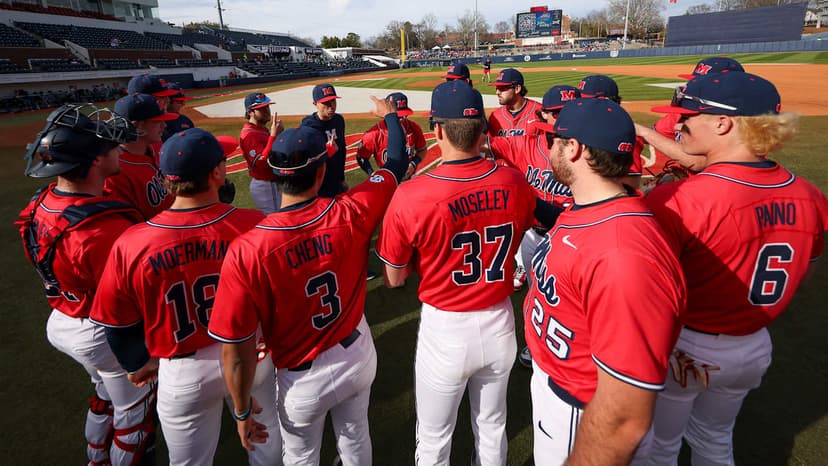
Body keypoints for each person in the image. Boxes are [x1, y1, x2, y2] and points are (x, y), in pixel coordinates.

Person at [208, 96, 410, 466]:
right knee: (356, 438)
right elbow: (396, 161)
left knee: (301, 456)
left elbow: (235, 349)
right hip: (357, 355)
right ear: (321, 172)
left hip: (302, 380)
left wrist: (240, 411)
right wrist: (391, 117)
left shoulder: (248, 247)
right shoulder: (353, 209)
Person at [644, 72, 828, 465]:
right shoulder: (810, 194)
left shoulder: (680, 197)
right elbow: (804, 273)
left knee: (659, 444)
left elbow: (647, 289)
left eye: (687, 116)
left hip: (687, 344)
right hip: (754, 343)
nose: (678, 124)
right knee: (715, 440)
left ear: (723, 123)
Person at [90, 128, 282, 466]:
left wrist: (136, 362)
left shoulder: (132, 241)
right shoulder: (255, 224)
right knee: (267, 449)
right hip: (252, 355)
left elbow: (115, 320)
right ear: (217, 173)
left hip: (184, 372)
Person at [376, 80, 537, 466]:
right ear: (483, 129)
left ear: (436, 130)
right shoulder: (514, 181)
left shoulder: (413, 194)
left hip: (445, 329)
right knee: (492, 427)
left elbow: (394, 278)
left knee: (434, 438)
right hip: (500, 321)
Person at [525, 98, 686, 465]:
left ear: (575, 149)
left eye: (555, 141)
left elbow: (624, 414)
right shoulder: (593, 207)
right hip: (560, 382)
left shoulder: (624, 254)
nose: (549, 148)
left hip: (579, 407)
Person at [16, 104, 157, 465]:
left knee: (105, 396)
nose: (117, 150)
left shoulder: (41, 202)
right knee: (134, 415)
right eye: (109, 146)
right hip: (99, 328)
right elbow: (129, 298)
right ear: (95, 162)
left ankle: (96, 456)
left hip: (64, 315)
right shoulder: (103, 229)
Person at [485, 84, 580, 368]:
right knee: (538, 292)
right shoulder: (527, 142)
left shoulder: (588, 149)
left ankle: (567, 348)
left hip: (571, 238)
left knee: (568, 297)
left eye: (568, 112)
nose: (562, 120)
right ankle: (536, 342)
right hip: (533, 234)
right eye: (555, 114)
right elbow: (483, 144)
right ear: (545, 114)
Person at [636, 56, 745, 174]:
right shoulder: (685, 112)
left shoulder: (736, 121)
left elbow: (699, 162)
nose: (693, 85)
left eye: (702, 83)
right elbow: (658, 133)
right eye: (694, 80)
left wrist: (643, 132)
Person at [107, 93, 177, 219]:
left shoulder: (157, 146)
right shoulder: (115, 171)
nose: (164, 125)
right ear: (137, 126)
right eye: (157, 121)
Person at [578, 74, 644, 188]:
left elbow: (629, 185)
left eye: (586, 101)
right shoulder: (582, 126)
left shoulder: (624, 134)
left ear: (606, 102)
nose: (580, 105)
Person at [356, 92, 427, 180]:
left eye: (404, 116)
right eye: (398, 117)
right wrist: (372, 173)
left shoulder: (414, 128)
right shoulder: (373, 134)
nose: (402, 120)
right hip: (387, 181)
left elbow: (422, 150)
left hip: (409, 179)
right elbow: (361, 157)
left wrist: (413, 164)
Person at [240, 92, 284, 214]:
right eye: (260, 109)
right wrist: (274, 135)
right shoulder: (249, 135)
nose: (266, 111)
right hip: (266, 185)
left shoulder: (260, 129)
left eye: (267, 107)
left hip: (272, 184)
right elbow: (262, 163)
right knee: (276, 221)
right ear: (250, 112)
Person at [301, 83, 347, 198]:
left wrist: (341, 179)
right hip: (318, 186)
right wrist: (327, 152)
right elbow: (306, 161)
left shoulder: (338, 120)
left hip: (336, 182)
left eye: (333, 101)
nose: (331, 106)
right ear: (315, 104)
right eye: (325, 102)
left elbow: (342, 151)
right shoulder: (308, 126)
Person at [488, 68, 542, 138]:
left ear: (517, 89)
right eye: (496, 88)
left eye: (502, 88)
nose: (497, 92)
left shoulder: (539, 112)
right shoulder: (495, 116)